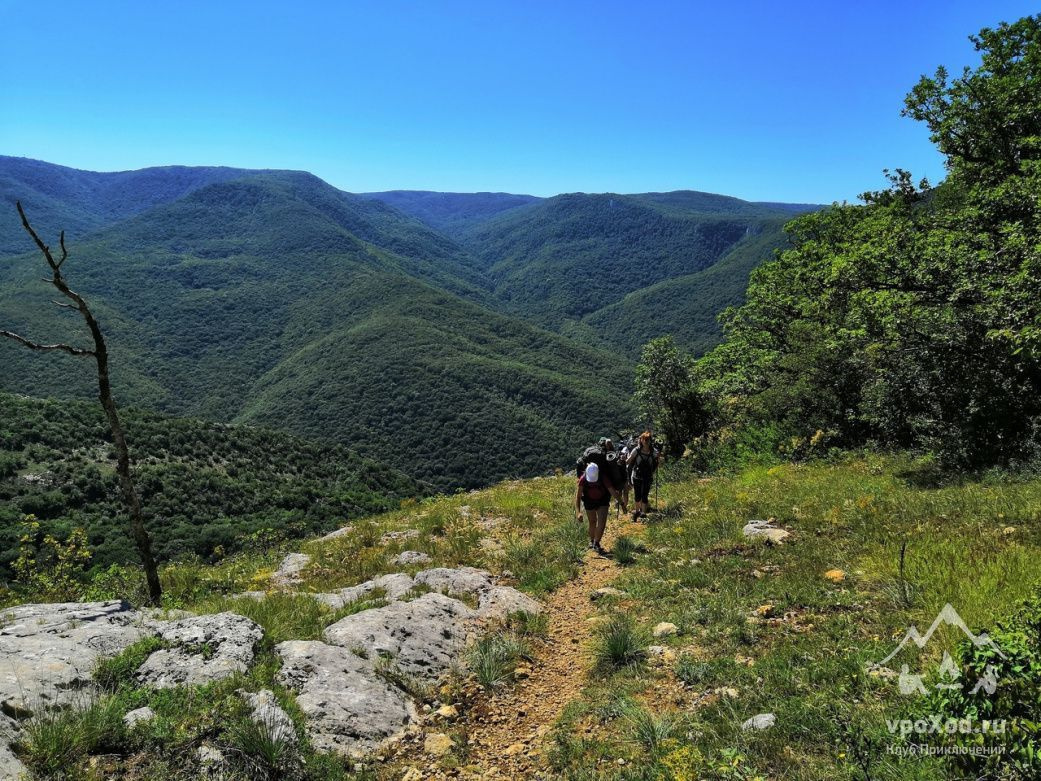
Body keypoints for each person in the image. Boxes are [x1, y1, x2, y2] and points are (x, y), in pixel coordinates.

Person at [574, 461, 625, 554]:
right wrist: (578, 512)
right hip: (589, 500)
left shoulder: (603, 478)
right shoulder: (583, 479)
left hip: (602, 500)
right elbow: (577, 497)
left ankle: (596, 543)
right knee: (592, 522)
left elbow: (613, 492)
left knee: (601, 523)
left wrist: (622, 504)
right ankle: (592, 541)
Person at [626, 431, 660, 519]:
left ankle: (641, 513)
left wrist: (623, 460)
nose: (646, 441)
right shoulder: (653, 451)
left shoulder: (637, 450)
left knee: (643, 495)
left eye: (647, 440)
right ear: (641, 440)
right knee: (639, 495)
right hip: (645, 476)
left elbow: (628, 461)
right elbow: (658, 462)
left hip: (639, 475)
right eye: (644, 439)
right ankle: (639, 512)